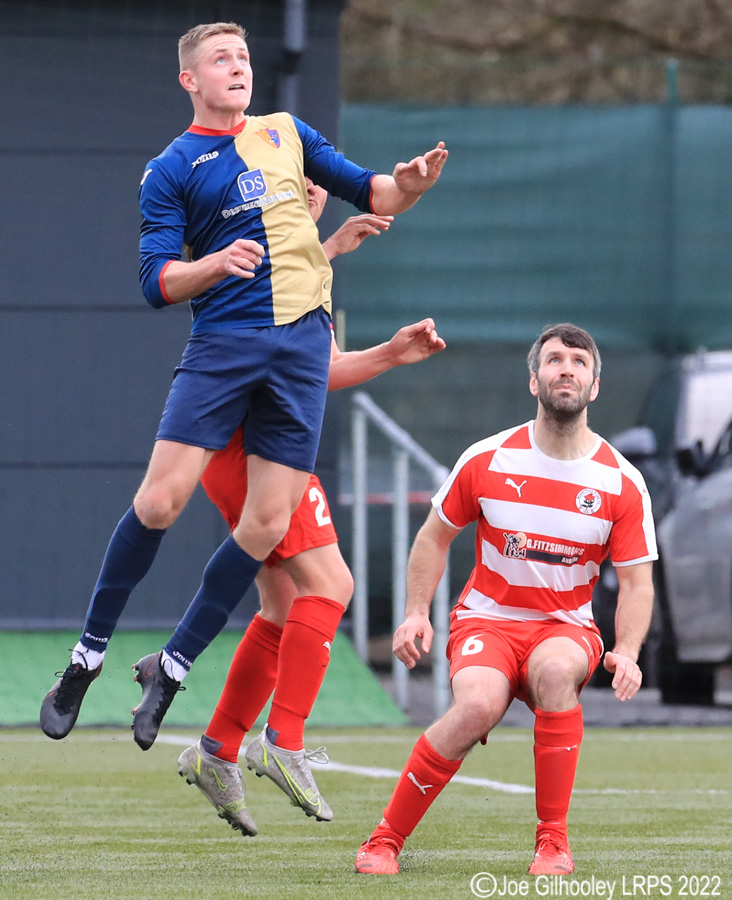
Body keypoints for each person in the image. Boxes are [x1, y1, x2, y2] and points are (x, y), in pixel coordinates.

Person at [40, 21, 447, 750]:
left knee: (266, 531)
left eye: (244, 56)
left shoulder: (287, 132)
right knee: (159, 501)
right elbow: (156, 281)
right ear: (189, 80)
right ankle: (86, 657)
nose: (238, 66)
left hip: (296, 358)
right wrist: (212, 264)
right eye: (220, 58)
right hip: (225, 348)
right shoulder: (172, 167)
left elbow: (372, 188)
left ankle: (172, 667)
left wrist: (407, 188)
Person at [176, 179, 445, 834]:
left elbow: (316, 365)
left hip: (250, 447)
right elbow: (268, 329)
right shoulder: (251, 249)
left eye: (319, 183)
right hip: (257, 449)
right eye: (302, 181)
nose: (317, 191)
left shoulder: (300, 262)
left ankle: (216, 749)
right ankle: (283, 738)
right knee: (333, 583)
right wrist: (324, 255)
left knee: (284, 605)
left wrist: (388, 351)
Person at [354, 323, 656, 877]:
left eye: (579, 362)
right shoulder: (488, 459)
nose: (566, 368)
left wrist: (629, 651)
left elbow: (637, 583)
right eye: (554, 360)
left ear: (593, 388)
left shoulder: (622, 481)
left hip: (565, 629)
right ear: (533, 380)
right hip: (486, 623)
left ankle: (552, 844)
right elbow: (433, 536)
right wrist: (415, 613)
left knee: (557, 672)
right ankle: (384, 840)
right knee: (475, 706)